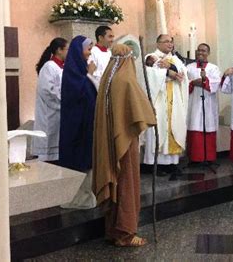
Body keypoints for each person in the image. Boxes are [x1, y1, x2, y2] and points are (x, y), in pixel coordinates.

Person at [93, 44, 156, 247]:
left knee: (117, 182)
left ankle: (113, 230)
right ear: (129, 59)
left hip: (111, 140)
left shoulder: (108, 77)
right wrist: (151, 112)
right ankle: (125, 233)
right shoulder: (126, 79)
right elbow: (141, 111)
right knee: (127, 182)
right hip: (125, 141)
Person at [141, 34, 189, 176]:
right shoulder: (151, 57)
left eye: (171, 41)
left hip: (174, 99)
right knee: (159, 129)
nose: (170, 44)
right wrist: (168, 73)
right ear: (158, 43)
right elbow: (149, 74)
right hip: (159, 100)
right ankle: (155, 165)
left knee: (174, 127)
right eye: (166, 41)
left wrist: (171, 67)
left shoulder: (175, 59)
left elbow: (183, 75)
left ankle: (172, 164)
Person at [59, 35, 97, 209]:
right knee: (77, 159)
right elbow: (78, 93)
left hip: (86, 123)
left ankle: (86, 197)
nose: (90, 53)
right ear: (77, 50)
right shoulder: (71, 72)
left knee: (86, 159)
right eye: (88, 49)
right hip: (75, 125)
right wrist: (89, 75)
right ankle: (76, 199)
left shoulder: (81, 69)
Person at [32, 37, 68, 162]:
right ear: (59, 50)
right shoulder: (49, 67)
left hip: (59, 113)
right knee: (49, 144)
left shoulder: (62, 67)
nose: (68, 52)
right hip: (50, 112)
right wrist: (64, 102)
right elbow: (48, 91)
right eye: (67, 49)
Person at [186, 43, 221, 163]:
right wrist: (191, 83)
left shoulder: (213, 68)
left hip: (208, 103)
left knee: (208, 125)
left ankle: (209, 157)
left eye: (204, 51)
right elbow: (183, 84)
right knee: (194, 124)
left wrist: (205, 81)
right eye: (199, 50)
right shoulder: (188, 67)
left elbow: (216, 83)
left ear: (208, 53)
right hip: (193, 103)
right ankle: (195, 158)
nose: (201, 52)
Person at [89, 25, 114, 91]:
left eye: (112, 37)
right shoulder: (92, 52)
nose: (112, 40)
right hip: (99, 90)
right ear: (100, 38)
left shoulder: (110, 52)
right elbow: (92, 75)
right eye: (110, 37)